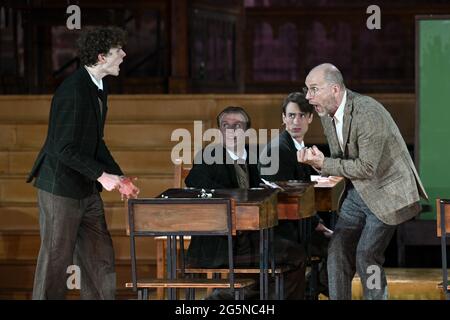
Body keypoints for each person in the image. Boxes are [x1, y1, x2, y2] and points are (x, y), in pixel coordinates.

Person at [298, 63, 428, 300]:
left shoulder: (368, 113)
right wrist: (320, 162)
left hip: (387, 193)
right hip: (358, 193)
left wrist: (323, 163)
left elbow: (366, 168)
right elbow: (341, 160)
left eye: (314, 89)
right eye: (307, 90)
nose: (308, 97)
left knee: (366, 254)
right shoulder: (327, 114)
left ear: (335, 89)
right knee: (336, 251)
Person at [26, 26, 139, 300]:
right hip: (60, 189)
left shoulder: (99, 86)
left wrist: (119, 177)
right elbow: (61, 147)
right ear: (101, 57)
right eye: (117, 51)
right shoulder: (73, 90)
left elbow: (95, 142)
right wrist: (102, 176)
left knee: (100, 260)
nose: (124, 55)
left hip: (86, 190)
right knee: (55, 263)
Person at [185, 106, 306, 299]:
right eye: (226, 125)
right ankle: (231, 296)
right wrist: (240, 196)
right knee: (295, 255)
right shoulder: (209, 157)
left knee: (295, 246)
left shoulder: (256, 155)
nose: (231, 130)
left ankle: (231, 296)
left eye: (237, 126)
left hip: (250, 239)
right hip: (220, 245)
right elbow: (193, 182)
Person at [259, 92, 332, 298]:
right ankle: (313, 288)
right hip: (283, 232)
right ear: (283, 118)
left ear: (310, 118)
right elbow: (283, 201)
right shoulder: (278, 150)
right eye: (291, 116)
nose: (296, 121)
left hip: (299, 225)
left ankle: (313, 286)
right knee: (341, 245)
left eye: (301, 116)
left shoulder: (299, 148)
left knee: (344, 242)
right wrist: (316, 223)